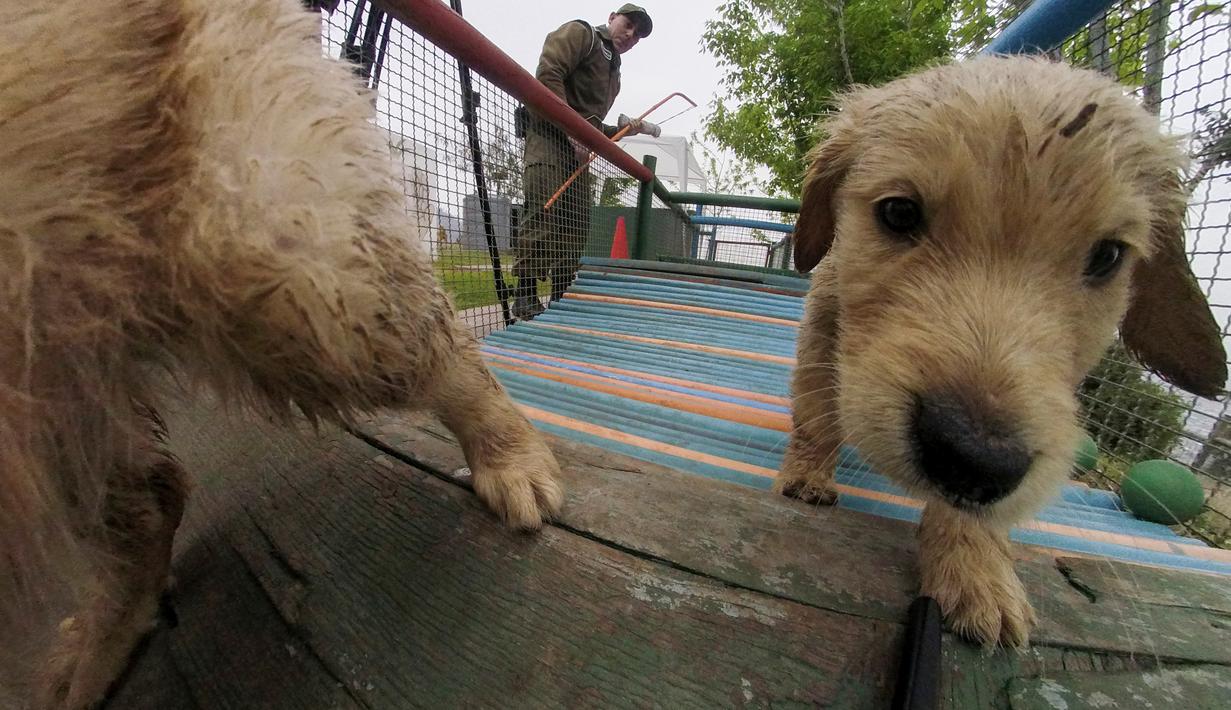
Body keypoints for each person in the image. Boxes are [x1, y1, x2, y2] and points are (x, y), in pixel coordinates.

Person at [512, 4, 653, 320]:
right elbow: (548, 72)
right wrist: (573, 132)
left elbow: (592, 126)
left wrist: (624, 129)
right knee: (542, 211)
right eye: (628, 25)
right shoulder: (582, 34)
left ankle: (561, 298)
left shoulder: (614, 76)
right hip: (548, 137)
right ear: (612, 18)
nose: (630, 35)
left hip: (577, 157)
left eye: (638, 35)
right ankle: (524, 294)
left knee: (575, 224)